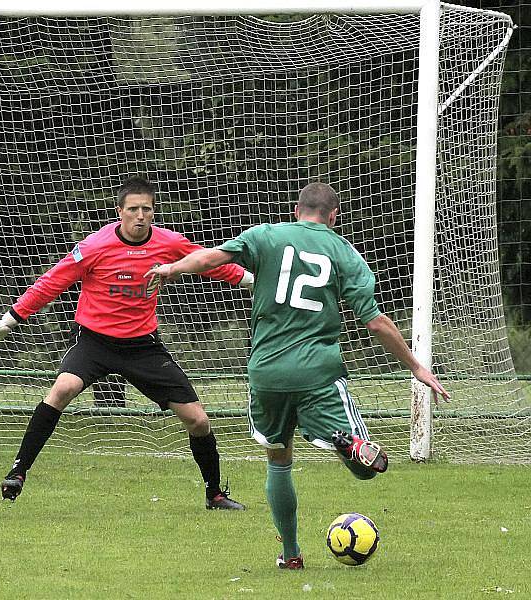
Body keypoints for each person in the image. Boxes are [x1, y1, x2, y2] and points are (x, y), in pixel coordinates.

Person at [146, 182, 450, 569]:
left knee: (278, 459)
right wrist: (417, 367)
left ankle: (290, 555)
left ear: (296, 209)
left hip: (267, 371)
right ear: (333, 216)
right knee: (366, 471)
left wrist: (171, 266)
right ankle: (351, 444)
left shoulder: (266, 236)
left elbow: (210, 258)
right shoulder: (344, 253)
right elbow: (376, 323)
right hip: (317, 372)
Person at [0, 176, 254, 510]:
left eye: (146, 209)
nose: (140, 216)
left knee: (198, 421)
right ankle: (18, 471)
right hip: (94, 342)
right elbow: (52, 282)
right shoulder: (95, 246)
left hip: (142, 346)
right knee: (61, 390)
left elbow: (207, 261)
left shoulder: (168, 242)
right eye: (133, 209)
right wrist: (11, 319)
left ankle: (215, 494)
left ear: (153, 212)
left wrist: (250, 280)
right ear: (119, 212)